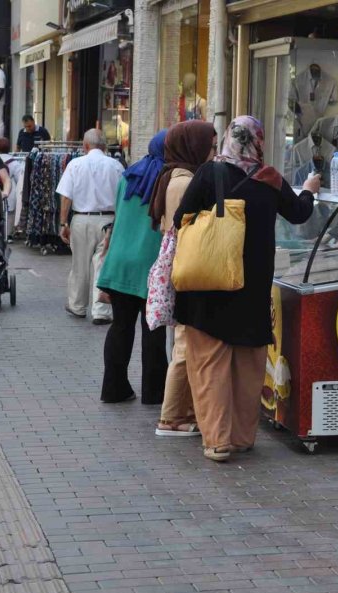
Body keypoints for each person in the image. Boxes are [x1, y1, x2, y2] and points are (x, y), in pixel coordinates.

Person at [173, 116, 318, 462]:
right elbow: (299, 213)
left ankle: (218, 441)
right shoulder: (269, 179)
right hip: (252, 288)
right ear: (258, 140)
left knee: (211, 366)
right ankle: (241, 437)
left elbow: (181, 217)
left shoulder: (209, 173)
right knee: (248, 367)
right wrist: (310, 190)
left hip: (210, 285)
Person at [148, 120, 218, 436]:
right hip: (187, 269)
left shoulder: (176, 176)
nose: (214, 153)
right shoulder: (183, 182)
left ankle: (180, 413)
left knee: (184, 343)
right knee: (184, 345)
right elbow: (187, 230)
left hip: (183, 268)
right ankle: (173, 417)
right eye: (211, 146)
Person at [95, 130, 172, 404]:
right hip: (150, 263)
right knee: (153, 330)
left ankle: (113, 389)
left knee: (120, 326)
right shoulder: (170, 178)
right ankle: (154, 392)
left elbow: (118, 214)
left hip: (120, 260)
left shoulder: (129, 175)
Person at [56, 129, 122, 324]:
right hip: (109, 220)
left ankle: (77, 306)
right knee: (103, 264)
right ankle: (101, 310)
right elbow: (122, 196)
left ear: (85, 146)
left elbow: (66, 196)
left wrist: (63, 222)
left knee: (80, 264)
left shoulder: (75, 165)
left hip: (81, 219)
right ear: (105, 146)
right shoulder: (116, 166)